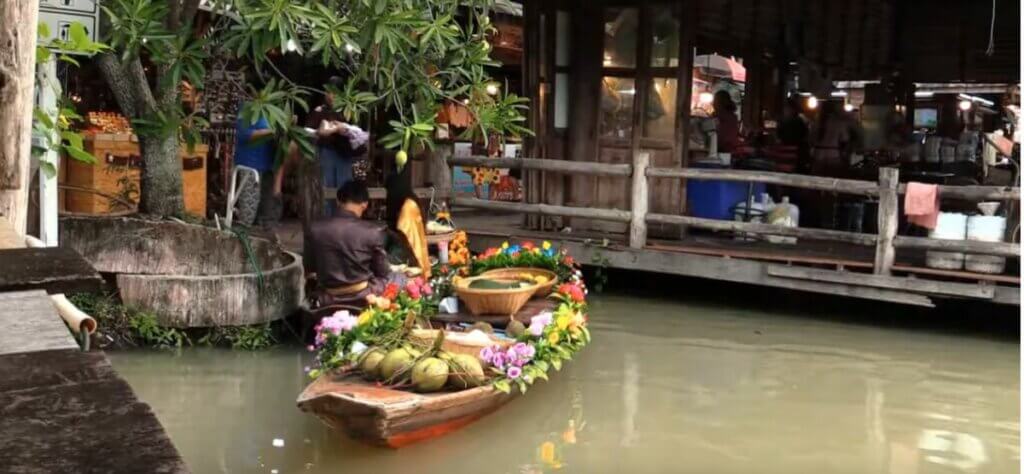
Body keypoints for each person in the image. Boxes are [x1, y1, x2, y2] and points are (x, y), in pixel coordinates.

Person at [306, 181, 405, 307]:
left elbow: (310, 268)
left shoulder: (315, 228)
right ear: (364, 205)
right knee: (399, 277)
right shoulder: (372, 231)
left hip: (327, 296)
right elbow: (383, 271)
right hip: (363, 295)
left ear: (338, 202)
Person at [306, 77, 369, 216]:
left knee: (344, 187)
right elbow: (308, 131)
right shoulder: (319, 111)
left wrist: (342, 128)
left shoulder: (349, 111)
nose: (330, 96)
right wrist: (320, 132)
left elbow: (361, 133)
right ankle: (327, 219)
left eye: (334, 92)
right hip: (326, 153)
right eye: (328, 92)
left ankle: (345, 218)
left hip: (344, 156)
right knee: (326, 187)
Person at [233, 105, 281, 227]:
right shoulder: (246, 110)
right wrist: (270, 132)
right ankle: (246, 235)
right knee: (248, 209)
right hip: (250, 164)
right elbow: (244, 134)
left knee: (265, 208)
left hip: (267, 165)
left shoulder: (271, 111)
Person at [384, 157, 431, 278]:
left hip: (408, 251)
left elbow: (406, 236)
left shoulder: (408, 207)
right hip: (402, 245)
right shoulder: (406, 201)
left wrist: (388, 233)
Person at [776, 96, 810, 172]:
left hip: (793, 155)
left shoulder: (797, 122)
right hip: (788, 155)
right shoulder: (784, 122)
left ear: (792, 109)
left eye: (787, 108)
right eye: (785, 108)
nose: (785, 110)